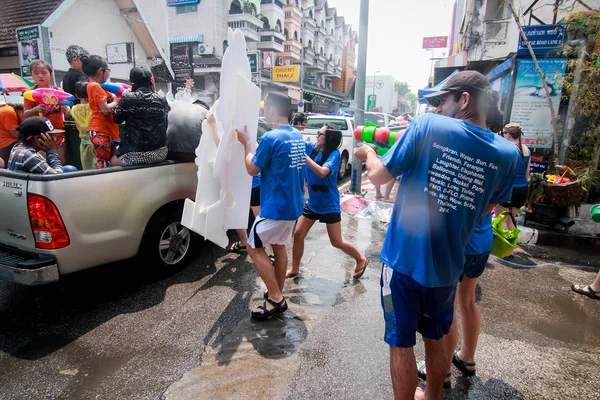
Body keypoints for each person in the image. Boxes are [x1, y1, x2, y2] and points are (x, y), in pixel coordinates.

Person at [354, 71, 520, 400]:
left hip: (402, 262)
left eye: (443, 100)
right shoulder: (508, 154)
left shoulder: (427, 126)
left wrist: (369, 154)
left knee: (400, 342)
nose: (439, 108)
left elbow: (379, 175)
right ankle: (432, 396)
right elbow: (489, 207)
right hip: (448, 268)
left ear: (465, 99)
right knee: (436, 335)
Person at [415, 91, 506, 389]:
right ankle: (467, 357)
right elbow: (496, 205)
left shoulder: (461, 148)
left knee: (447, 307)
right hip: (482, 240)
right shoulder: (502, 154)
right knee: (467, 301)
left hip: (459, 243)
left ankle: (439, 371)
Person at [236, 92, 306, 320]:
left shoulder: (270, 138)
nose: (263, 111)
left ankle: (276, 298)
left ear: (273, 110)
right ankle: (277, 292)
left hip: (275, 207)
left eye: (265, 107)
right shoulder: (297, 135)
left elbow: (251, 169)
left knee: (252, 247)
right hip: (293, 206)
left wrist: (247, 144)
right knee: (278, 246)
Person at [287, 124, 370, 279]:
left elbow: (323, 172)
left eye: (320, 134)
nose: (317, 135)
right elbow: (295, 141)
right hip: (313, 203)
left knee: (336, 242)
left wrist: (304, 158)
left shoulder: (334, 155)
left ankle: (361, 259)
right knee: (298, 234)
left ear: (329, 138)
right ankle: (295, 268)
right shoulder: (313, 149)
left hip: (329, 205)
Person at [110, 67, 169, 166]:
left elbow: (117, 119)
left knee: (112, 160)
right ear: (151, 82)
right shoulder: (161, 98)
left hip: (135, 154)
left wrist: (116, 102)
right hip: (161, 153)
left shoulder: (128, 97)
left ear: (132, 83)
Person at [23, 60, 70, 165]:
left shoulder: (59, 91)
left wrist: (67, 109)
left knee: (61, 160)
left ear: (51, 74)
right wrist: (35, 109)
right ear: (32, 75)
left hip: (57, 133)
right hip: (39, 134)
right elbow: (25, 114)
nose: (40, 76)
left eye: (44, 73)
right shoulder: (30, 93)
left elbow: (67, 111)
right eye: (36, 73)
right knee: (42, 161)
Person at [82, 54, 120, 168]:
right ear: (100, 71)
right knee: (104, 163)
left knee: (107, 161)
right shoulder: (94, 86)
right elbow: (105, 109)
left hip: (106, 129)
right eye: (108, 70)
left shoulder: (98, 86)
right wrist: (118, 101)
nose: (109, 73)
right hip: (101, 130)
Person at [495, 123, 531, 231]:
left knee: (500, 220)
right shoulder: (526, 149)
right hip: (522, 190)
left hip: (508, 189)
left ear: (508, 134)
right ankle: (510, 246)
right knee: (511, 220)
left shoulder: (508, 149)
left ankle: (502, 247)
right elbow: (527, 172)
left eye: (504, 134)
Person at [70, 82, 96, 170]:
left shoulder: (74, 109)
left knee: (86, 167)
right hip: (95, 141)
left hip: (83, 143)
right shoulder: (94, 107)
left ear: (76, 95)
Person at [0, 102, 24, 166]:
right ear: (21, 111)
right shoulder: (9, 112)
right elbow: (15, 133)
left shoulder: (6, 109)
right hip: (6, 143)